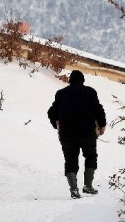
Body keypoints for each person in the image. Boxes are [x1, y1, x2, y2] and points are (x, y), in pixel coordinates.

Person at [47, 70, 106, 199]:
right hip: (87, 132)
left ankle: (74, 190)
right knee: (90, 156)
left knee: (70, 160)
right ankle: (88, 186)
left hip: (67, 134)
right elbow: (98, 109)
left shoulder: (61, 94)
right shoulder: (90, 92)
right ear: (83, 80)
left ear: (70, 80)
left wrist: (56, 125)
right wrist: (102, 125)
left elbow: (51, 112)